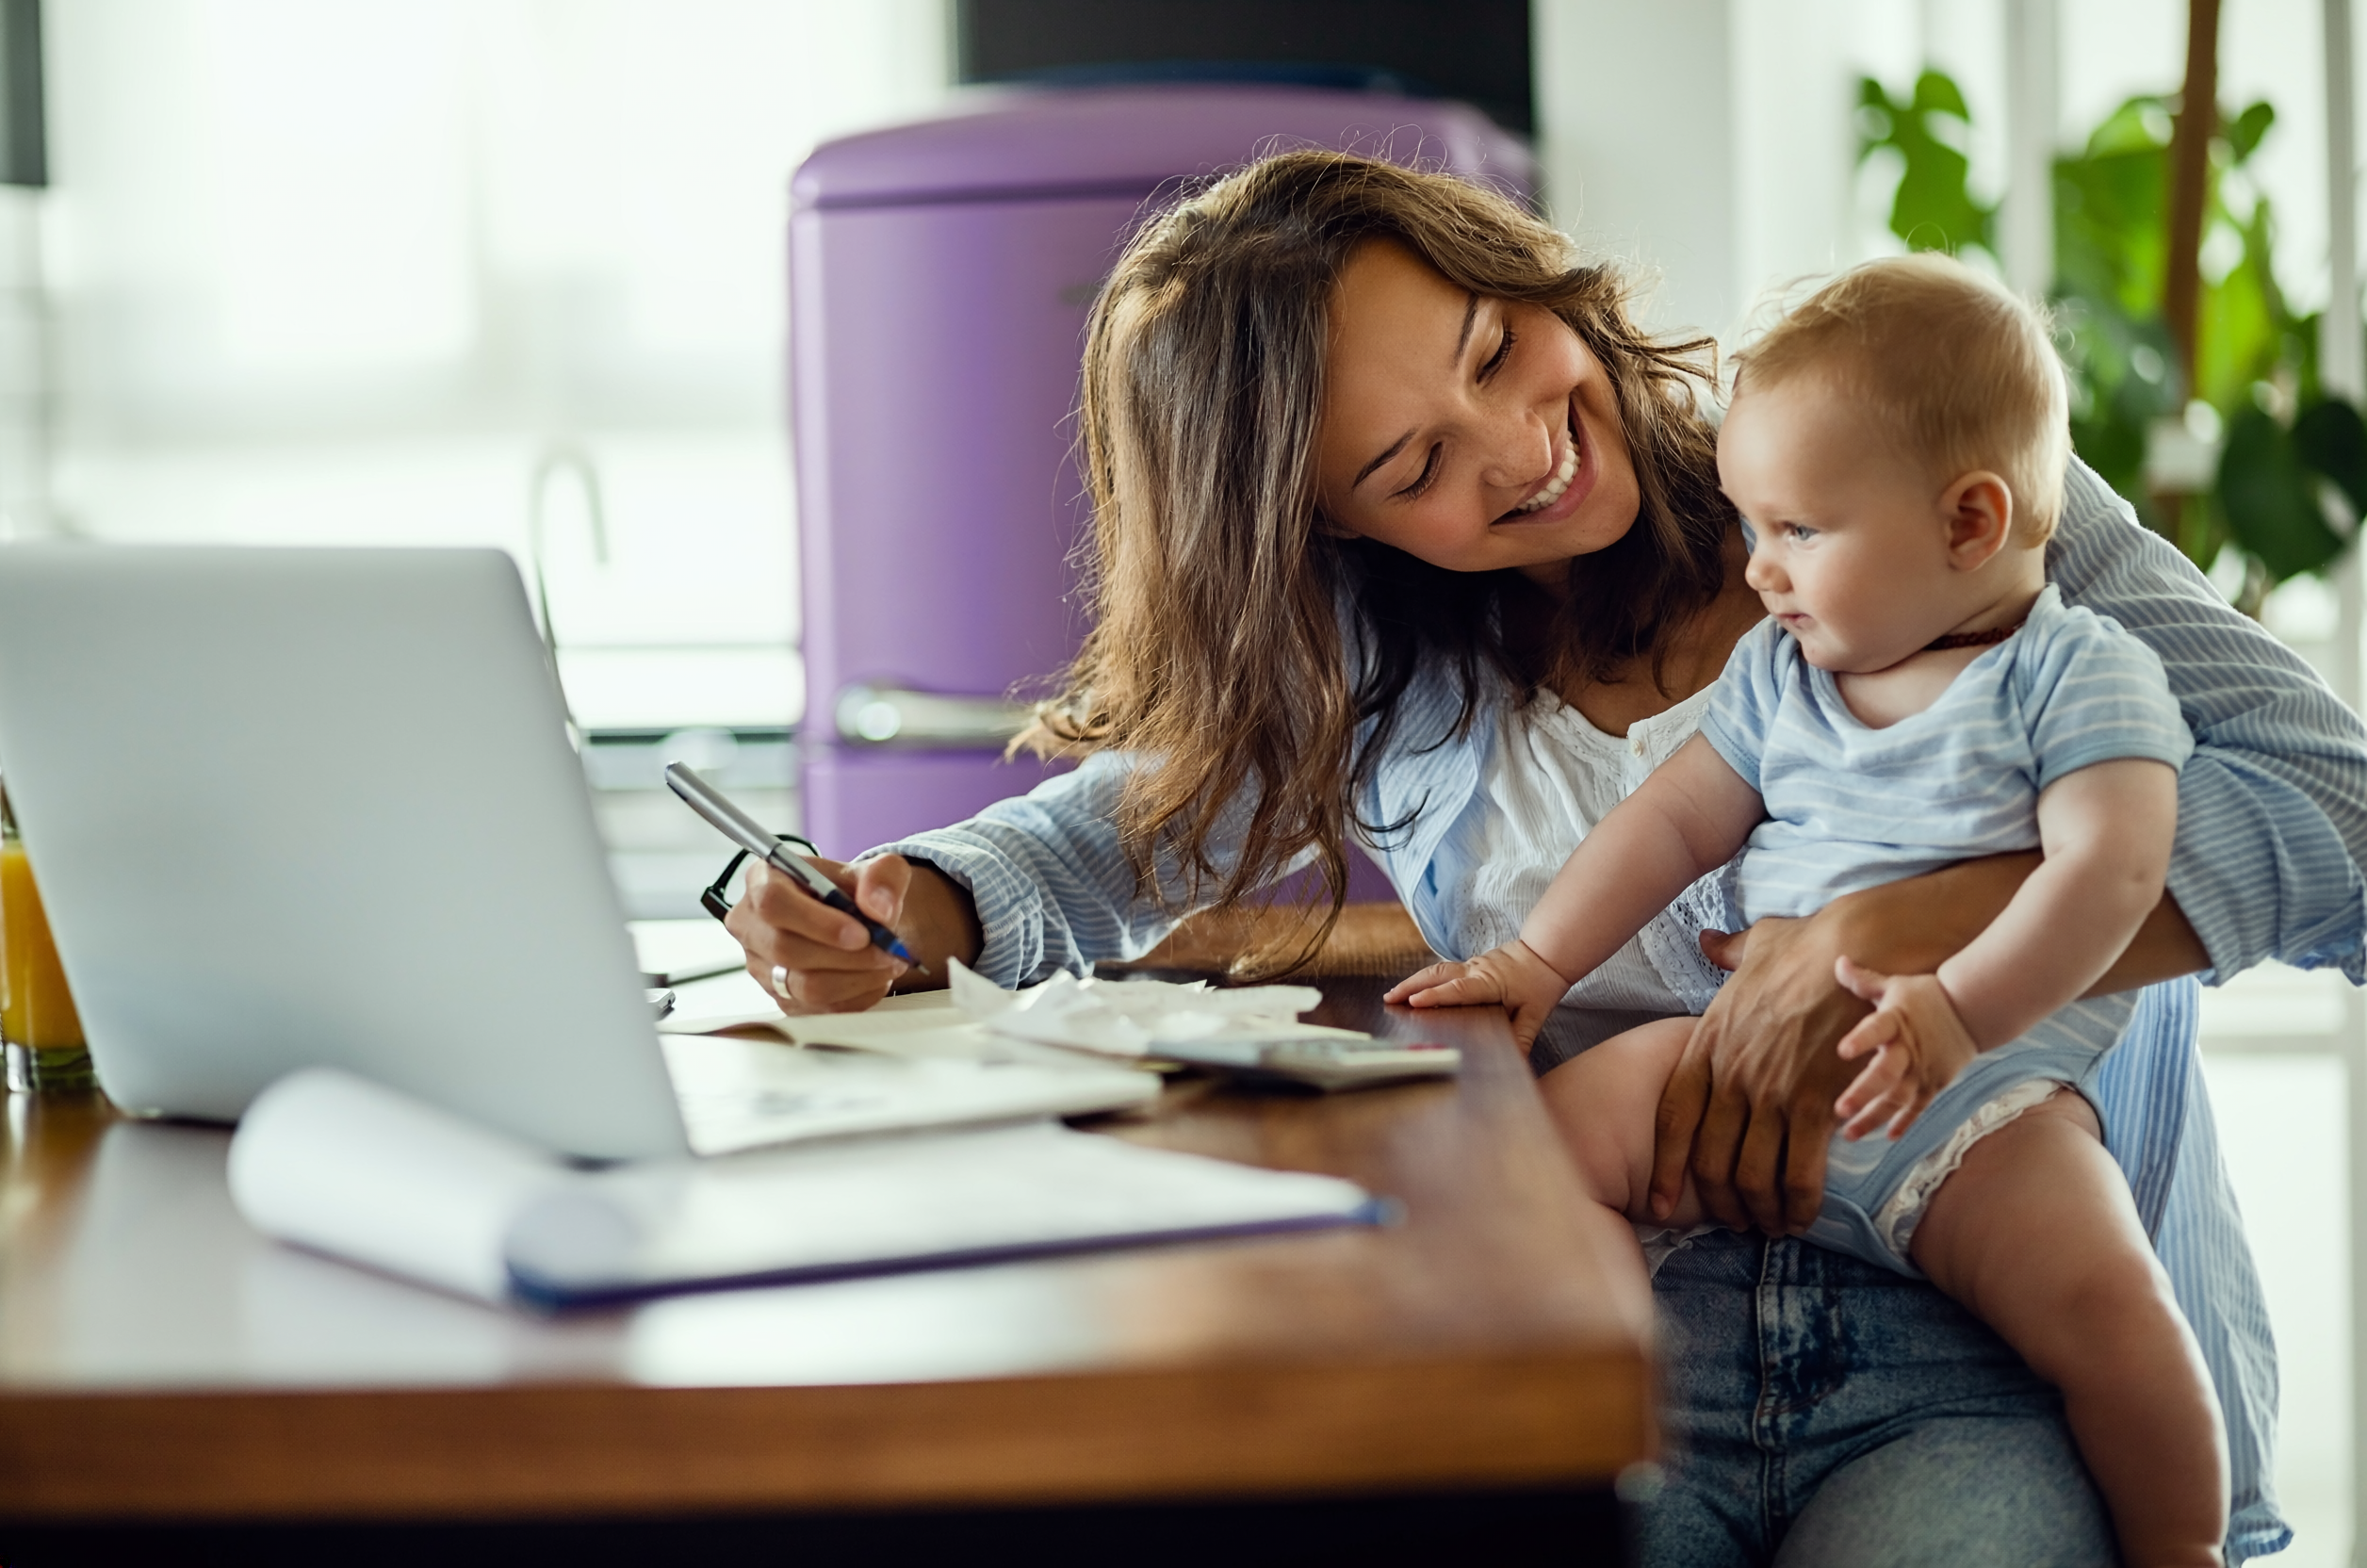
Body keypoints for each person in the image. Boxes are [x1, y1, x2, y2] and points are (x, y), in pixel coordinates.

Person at [732, 150, 2367, 1564]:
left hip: (1990, 1329)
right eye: (1414, 468)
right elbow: (1106, 836)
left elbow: (2344, 820)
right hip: (1620, 1334)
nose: (1519, 447)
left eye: (1498, 351)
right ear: (1330, 532)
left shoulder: (1899, 465)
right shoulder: (1393, 672)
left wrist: (1904, 926)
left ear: (1525, 276)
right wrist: (905, 903)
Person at [1389, 254, 2225, 1566]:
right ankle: (1613, 1400)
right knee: (1539, 1150)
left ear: (1967, 524)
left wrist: (1955, 1013)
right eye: (1753, 525)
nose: (1759, 569)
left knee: (2110, 1303)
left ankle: (2182, 1541)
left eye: (1799, 532)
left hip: (1978, 1102)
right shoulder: (1783, 674)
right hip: (1738, 1056)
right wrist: (1539, 960)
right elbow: (1673, 820)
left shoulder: (2075, 674)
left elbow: (2110, 880)